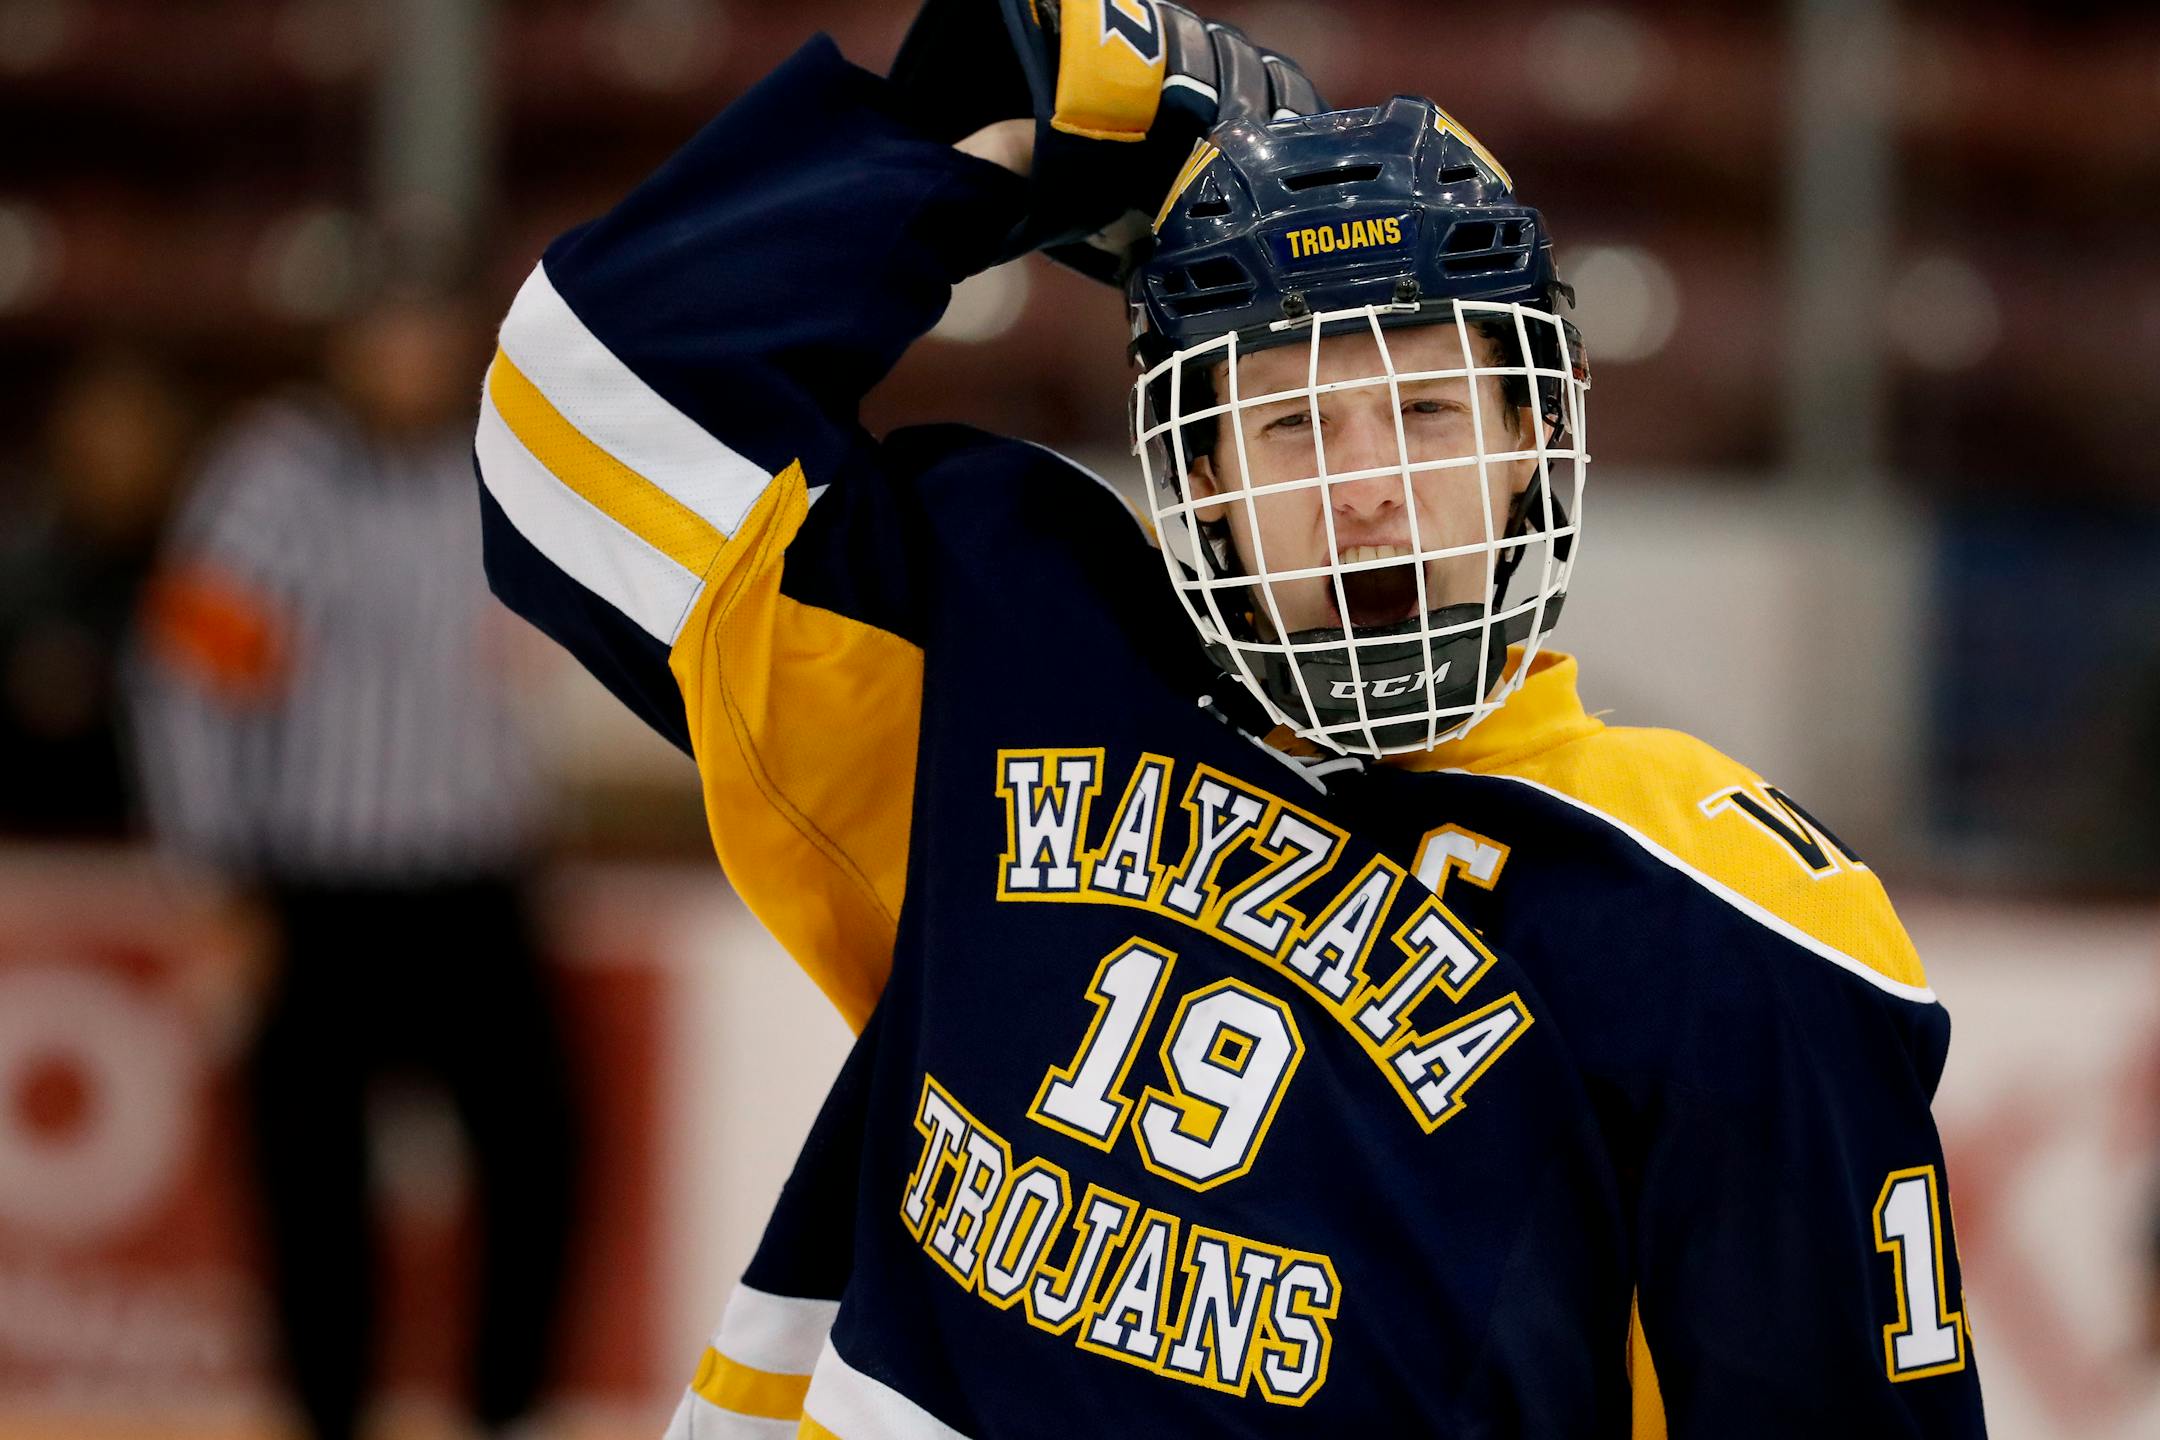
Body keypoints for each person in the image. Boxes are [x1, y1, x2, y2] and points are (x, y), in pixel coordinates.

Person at [473, 2, 1986, 1433]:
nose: (1364, 488)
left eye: (1427, 410)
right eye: (1286, 422)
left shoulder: (1730, 923)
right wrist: (984, 153)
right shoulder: (1011, 645)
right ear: (1193, 472)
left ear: (1540, 430)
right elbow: (577, 418)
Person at [131, 288, 578, 1440]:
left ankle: (504, 1411)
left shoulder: (500, 470)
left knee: (540, 1159)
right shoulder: (279, 479)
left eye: (428, 333)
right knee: (312, 1184)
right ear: (341, 343)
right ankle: (328, 1415)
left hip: (476, 885)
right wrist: (215, 876)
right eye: (385, 331)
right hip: (320, 888)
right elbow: (188, 682)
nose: (408, 357)